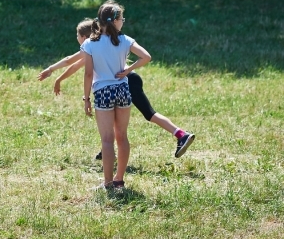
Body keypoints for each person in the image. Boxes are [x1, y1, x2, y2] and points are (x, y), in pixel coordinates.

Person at [38, 19, 196, 160]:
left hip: (125, 81)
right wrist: (57, 77)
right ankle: (107, 150)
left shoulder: (91, 46)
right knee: (121, 116)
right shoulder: (99, 45)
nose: (76, 39)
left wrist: (54, 72)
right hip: (130, 79)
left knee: (148, 114)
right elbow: (75, 65)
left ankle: (181, 134)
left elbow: (70, 62)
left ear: (84, 37)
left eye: (77, 36)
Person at [80, 0, 152, 189]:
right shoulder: (125, 40)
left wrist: (86, 98)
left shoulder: (89, 44)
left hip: (103, 93)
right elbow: (146, 57)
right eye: (122, 19)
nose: (123, 22)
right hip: (123, 90)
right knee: (122, 136)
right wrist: (128, 70)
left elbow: (88, 74)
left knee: (106, 140)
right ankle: (119, 180)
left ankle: (108, 183)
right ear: (115, 21)